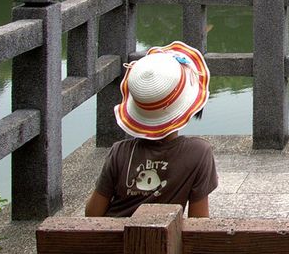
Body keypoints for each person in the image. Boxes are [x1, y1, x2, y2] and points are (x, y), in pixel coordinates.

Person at [85, 41, 218, 218]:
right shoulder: (199, 153)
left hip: (114, 243)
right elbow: (199, 223)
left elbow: (93, 214)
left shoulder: (119, 152)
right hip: (164, 241)